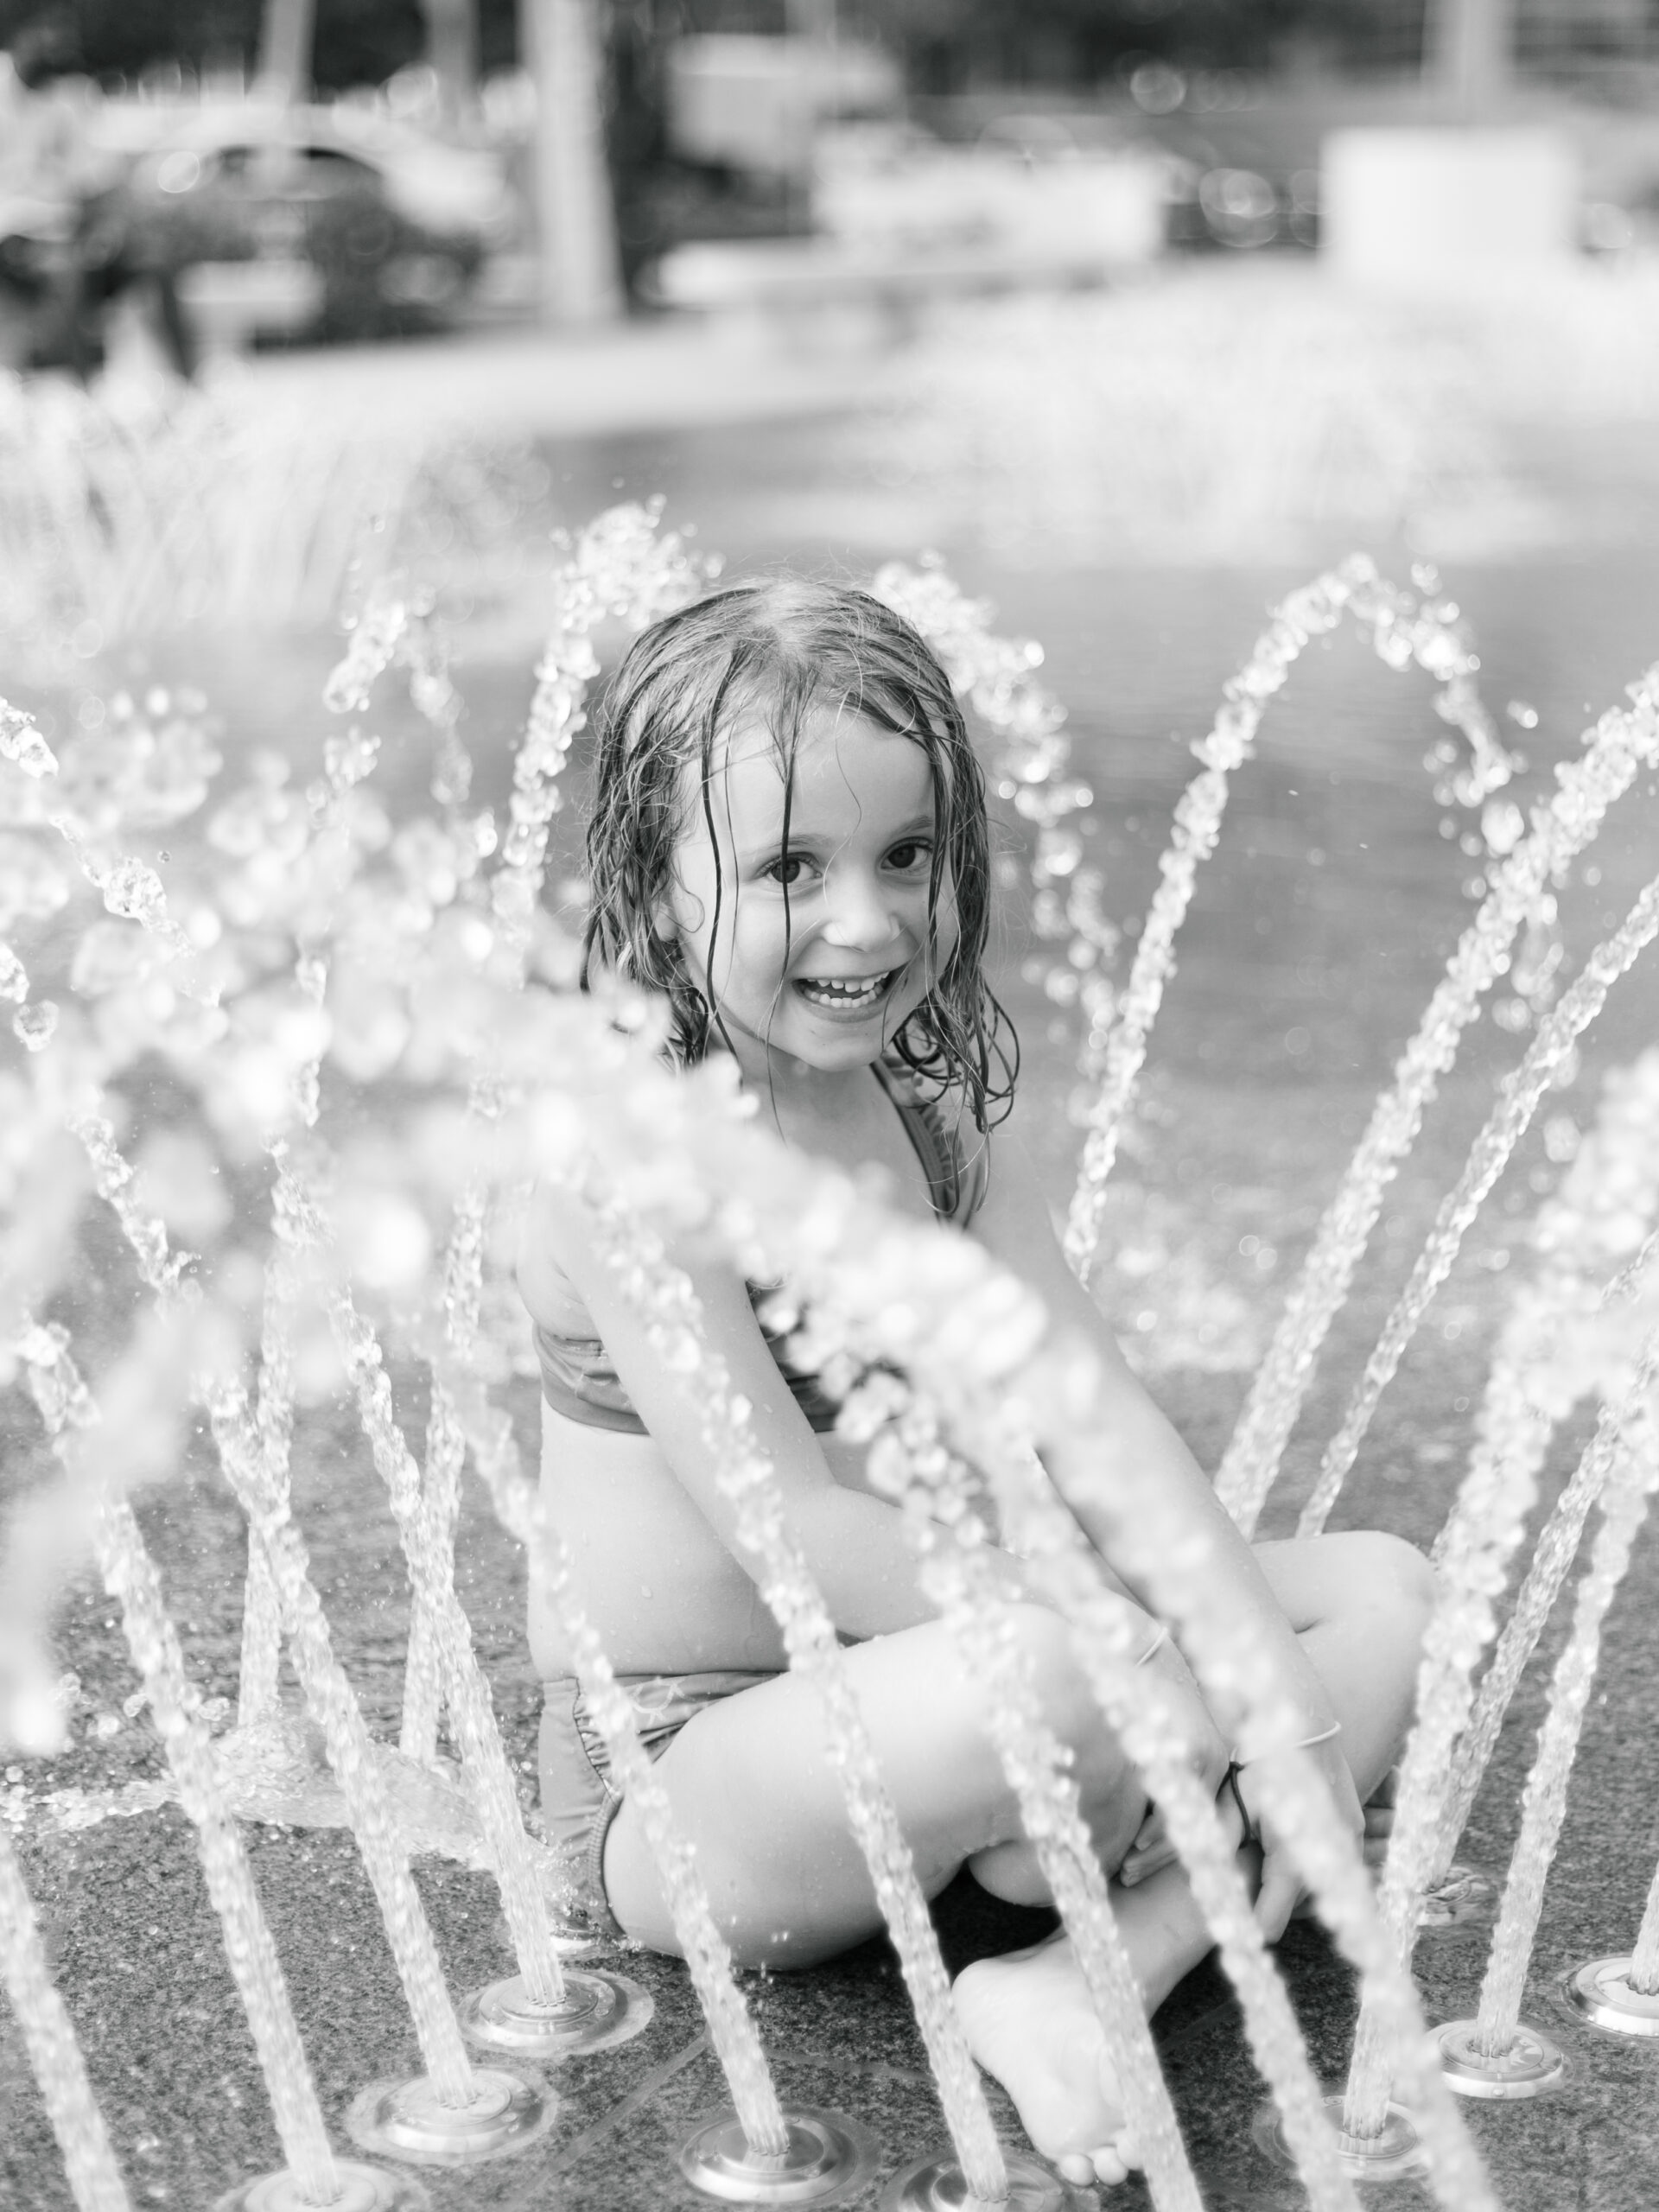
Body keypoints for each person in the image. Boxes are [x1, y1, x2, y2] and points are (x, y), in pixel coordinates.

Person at [515, 579, 1435, 2190]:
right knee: (1069, 1664)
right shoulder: (638, 1153)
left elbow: (1099, 1418)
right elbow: (791, 1530)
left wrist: (1264, 1711)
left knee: (1391, 1593)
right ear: (657, 882)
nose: (868, 923)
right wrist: (1129, 1659)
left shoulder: (931, 1117)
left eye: (909, 857)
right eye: (793, 867)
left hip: (955, 1678)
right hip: (697, 1783)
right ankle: (1100, 1831)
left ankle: (1097, 1965)